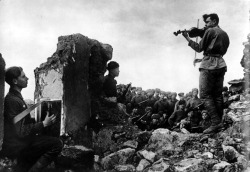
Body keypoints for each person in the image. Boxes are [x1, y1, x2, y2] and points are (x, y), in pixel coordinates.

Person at [2, 66, 63, 172]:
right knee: (57, 144)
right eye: (23, 76)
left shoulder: (16, 98)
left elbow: (20, 122)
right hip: (17, 147)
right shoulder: (12, 100)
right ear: (15, 81)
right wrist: (43, 124)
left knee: (47, 139)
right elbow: (21, 131)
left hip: (18, 143)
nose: (27, 78)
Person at [182, 13, 230, 134]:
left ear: (214, 21)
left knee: (204, 95)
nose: (206, 25)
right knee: (217, 95)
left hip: (209, 65)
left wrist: (187, 38)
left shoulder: (210, 31)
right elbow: (218, 51)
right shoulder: (224, 34)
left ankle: (215, 122)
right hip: (221, 64)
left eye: (207, 22)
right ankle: (221, 123)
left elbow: (199, 48)